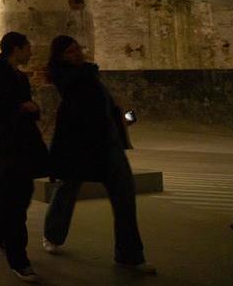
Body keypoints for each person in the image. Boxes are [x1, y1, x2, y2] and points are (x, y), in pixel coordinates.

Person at [42, 35, 155, 274]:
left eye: (78, 49)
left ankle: (129, 256)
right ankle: (52, 234)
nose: (79, 53)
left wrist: (119, 122)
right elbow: (76, 90)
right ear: (61, 56)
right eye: (72, 51)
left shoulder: (88, 74)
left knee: (124, 197)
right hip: (79, 146)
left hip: (107, 145)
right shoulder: (67, 75)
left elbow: (104, 104)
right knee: (67, 190)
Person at [0, 32, 48, 283]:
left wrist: (32, 108)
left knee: (17, 196)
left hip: (19, 144)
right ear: (16, 49)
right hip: (1, 146)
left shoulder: (18, 76)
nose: (31, 52)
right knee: (14, 203)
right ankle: (19, 259)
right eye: (28, 47)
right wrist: (21, 108)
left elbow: (24, 104)